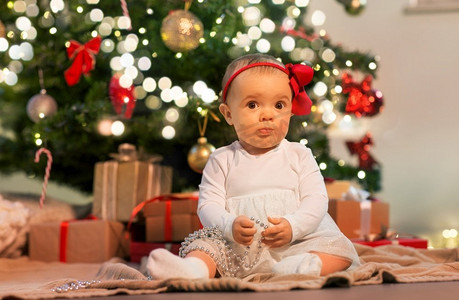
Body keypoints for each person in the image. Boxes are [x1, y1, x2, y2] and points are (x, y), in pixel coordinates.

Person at [147, 53, 360, 280]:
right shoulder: (222, 159)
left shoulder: (299, 154)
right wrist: (230, 225)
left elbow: (316, 200)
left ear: (290, 109)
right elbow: (208, 205)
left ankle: (307, 265)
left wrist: (293, 226)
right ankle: (193, 270)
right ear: (228, 114)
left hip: (297, 242)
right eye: (252, 104)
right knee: (204, 245)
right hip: (239, 248)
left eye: (279, 105)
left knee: (339, 248)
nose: (267, 115)